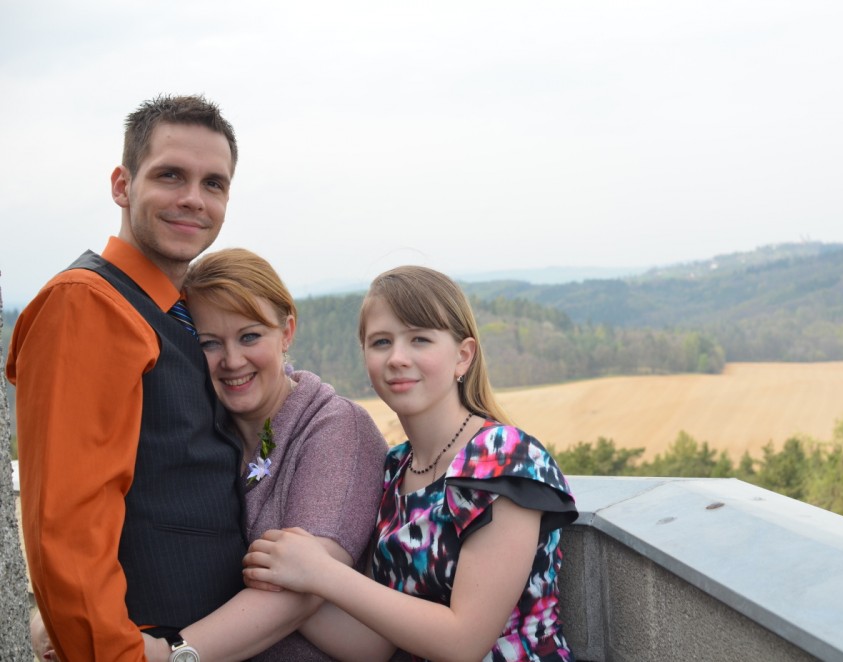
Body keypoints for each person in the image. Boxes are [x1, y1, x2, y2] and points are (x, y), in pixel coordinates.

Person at [7, 95, 246, 661]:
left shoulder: (175, 311)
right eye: (170, 175)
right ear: (122, 185)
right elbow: (70, 525)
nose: (194, 199)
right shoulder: (88, 304)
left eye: (213, 184)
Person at [244, 265, 579, 662]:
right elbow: (374, 646)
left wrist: (323, 573)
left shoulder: (502, 457)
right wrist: (280, 575)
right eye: (381, 342)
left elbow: (463, 642)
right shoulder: (395, 469)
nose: (397, 358)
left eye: (420, 339)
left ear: (463, 356)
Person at [141, 248, 387, 661]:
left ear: (286, 331)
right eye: (209, 343)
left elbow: (300, 590)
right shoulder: (198, 433)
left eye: (250, 336)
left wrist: (173, 655)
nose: (232, 360)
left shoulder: (335, 427)